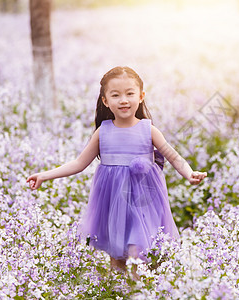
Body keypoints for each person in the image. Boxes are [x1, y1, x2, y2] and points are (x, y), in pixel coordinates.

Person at [26, 66, 207, 279]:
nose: (123, 100)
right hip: (113, 202)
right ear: (105, 101)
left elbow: (173, 156)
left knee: (136, 254)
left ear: (141, 97)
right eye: (116, 95)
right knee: (117, 258)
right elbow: (79, 163)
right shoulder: (103, 132)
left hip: (143, 201)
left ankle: (142, 290)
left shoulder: (148, 130)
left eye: (130, 93)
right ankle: (121, 291)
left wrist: (189, 173)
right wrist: (45, 175)